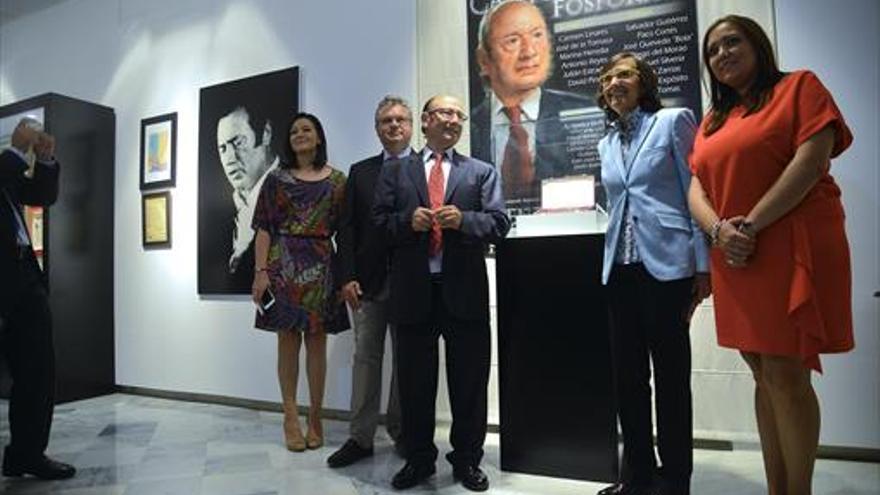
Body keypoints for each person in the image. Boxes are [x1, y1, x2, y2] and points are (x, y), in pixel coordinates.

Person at [688, 15, 854, 495]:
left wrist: (750, 223)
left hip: (788, 242)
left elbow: (812, 158)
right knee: (763, 373)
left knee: (786, 372)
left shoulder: (798, 87)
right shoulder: (713, 120)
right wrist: (720, 230)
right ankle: (777, 487)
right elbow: (695, 185)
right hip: (736, 253)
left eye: (732, 42)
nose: (722, 54)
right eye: (713, 50)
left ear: (758, 44)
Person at [374, 95, 509, 492]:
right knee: (414, 384)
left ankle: (467, 461)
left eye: (459, 115)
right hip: (412, 292)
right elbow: (378, 226)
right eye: (445, 113)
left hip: (464, 291)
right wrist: (406, 222)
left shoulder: (481, 172)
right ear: (427, 120)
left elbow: (500, 222)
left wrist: (465, 221)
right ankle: (418, 460)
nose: (453, 120)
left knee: (469, 381)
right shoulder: (396, 172)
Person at [595, 53, 710, 495]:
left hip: (668, 268)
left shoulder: (673, 121)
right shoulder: (606, 142)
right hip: (620, 269)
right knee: (628, 379)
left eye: (623, 74)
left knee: (671, 377)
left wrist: (703, 265)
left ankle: (676, 478)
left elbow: (693, 192)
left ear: (644, 82)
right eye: (607, 78)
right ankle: (637, 475)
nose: (614, 83)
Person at [251, 112, 347, 452]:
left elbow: (346, 232)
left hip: (322, 264)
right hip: (281, 265)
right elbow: (263, 228)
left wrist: (347, 276)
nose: (300, 134)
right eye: (294, 131)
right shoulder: (276, 180)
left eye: (307, 129)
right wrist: (260, 272)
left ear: (319, 137)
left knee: (317, 344)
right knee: (287, 342)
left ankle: (316, 417)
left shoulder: (338, 181)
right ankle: (290, 416)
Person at [327, 96, 413, 468]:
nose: (393, 126)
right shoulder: (359, 172)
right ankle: (360, 438)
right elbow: (346, 231)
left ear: (411, 125)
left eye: (399, 120)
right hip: (368, 283)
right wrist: (346, 277)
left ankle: (404, 431)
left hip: (414, 282)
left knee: (408, 361)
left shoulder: (428, 168)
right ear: (376, 129)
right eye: (385, 121)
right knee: (366, 358)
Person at [0, 119, 75, 480]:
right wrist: (15, 148)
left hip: (21, 277)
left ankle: (26, 454)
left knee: (37, 371)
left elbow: (38, 197)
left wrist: (44, 160)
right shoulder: (5, 164)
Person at [471, 0, 590, 207]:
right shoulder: (468, 127)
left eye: (537, 35)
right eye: (512, 41)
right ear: (483, 59)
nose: (529, 52)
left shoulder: (584, 113)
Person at [217, 105, 279, 277]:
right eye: (222, 149)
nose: (229, 158)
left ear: (266, 133)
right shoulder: (221, 215)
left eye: (238, 142)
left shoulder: (291, 190)